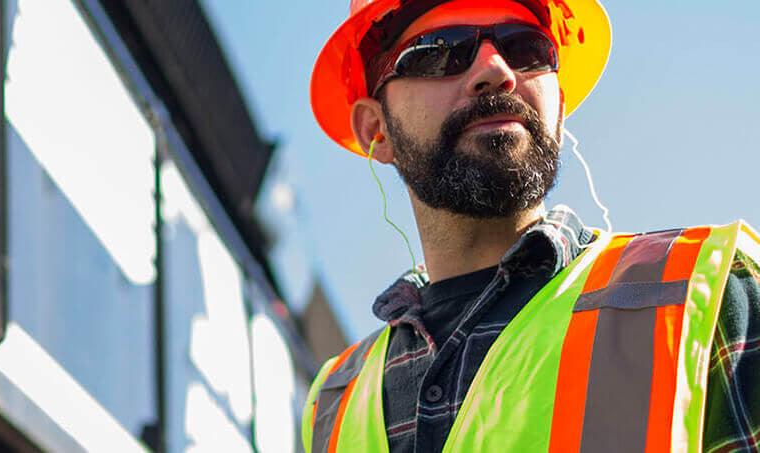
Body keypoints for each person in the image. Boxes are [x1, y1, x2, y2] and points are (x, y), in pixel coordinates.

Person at [303, 0, 760, 452]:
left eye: (527, 48)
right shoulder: (333, 405)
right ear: (375, 129)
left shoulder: (707, 292)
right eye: (440, 50)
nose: (496, 69)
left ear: (559, 105)